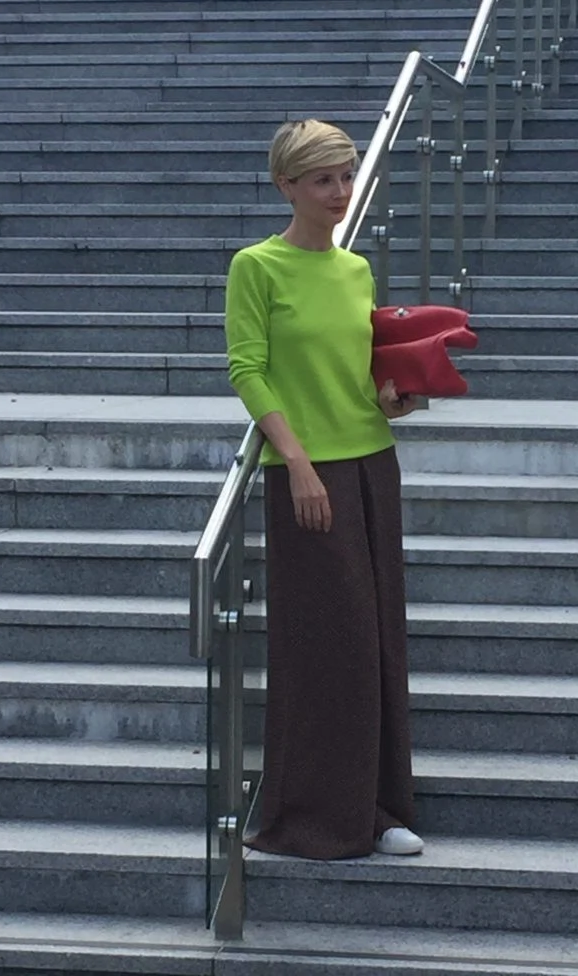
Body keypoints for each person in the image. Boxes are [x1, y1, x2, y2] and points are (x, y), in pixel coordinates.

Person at [224, 118, 424, 860]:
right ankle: (313, 816)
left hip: (374, 463)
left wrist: (393, 400)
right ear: (286, 186)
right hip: (308, 476)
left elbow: (357, 377)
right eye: (322, 180)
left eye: (346, 176)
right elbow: (248, 370)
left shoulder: (356, 271)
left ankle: (379, 808)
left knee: (378, 641)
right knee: (328, 646)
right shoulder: (257, 267)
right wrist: (298, 463)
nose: (340, 192)